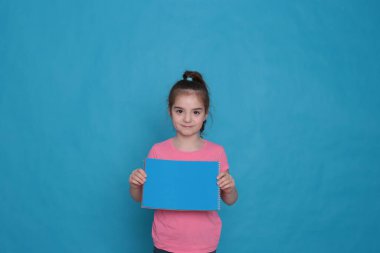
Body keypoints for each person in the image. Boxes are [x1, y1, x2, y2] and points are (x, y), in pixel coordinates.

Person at [129, 71, 238, 253]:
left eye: (196, 112)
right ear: (170, 111)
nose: (187, 119)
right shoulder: (158, 151)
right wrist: (135, 185)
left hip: (204, 244)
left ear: (205, 114)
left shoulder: (216, 152)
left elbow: (230, 199)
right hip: (166, 243)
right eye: (180, 111)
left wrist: (230, 188)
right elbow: (144, 197)